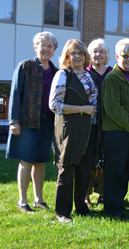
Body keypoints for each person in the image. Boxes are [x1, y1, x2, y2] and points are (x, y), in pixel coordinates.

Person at [50, 39, 101, 223]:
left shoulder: (88, 76)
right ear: (67, 56)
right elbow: (54, 105)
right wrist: (81, 109)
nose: (78, 57)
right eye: (73, 53)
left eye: (81, 53)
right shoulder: (63, 75)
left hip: (89, 129)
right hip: (69, 128)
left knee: (84, 170)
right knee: (67, 169)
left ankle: (81, 208)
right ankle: (62, 212)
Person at [7, 31, 58, 213]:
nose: (46, 49)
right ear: (35, 47)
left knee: (41, 161)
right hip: (27, 121)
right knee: (26, 160)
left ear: (54, 50)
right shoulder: (25, 66)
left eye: (49, 46)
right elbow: (15, 94)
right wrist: (14, 121)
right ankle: (22, 201)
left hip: (47, 122)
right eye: (42, 45)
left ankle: (39, 199)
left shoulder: (56, 72)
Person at [102, 38, 129, 220]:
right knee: (115, 171)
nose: (128, 59)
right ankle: (112, 210)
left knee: (124, 170)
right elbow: (113, 108)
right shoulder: (112, 78)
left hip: (128, 132)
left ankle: (118, 204)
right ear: (117, 56)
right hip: (115, 133)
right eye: (125, 56)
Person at [85, 38, 113, 205]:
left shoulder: (112, 73)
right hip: (88, 123)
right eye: (95, 51)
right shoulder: (84, 73)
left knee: (107, 157)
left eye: (102, 52)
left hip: (108, 123)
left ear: (106, 55)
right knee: (87, 158)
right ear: (89, 55)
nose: (98, 54)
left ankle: (102, 193)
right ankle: (85, 193)